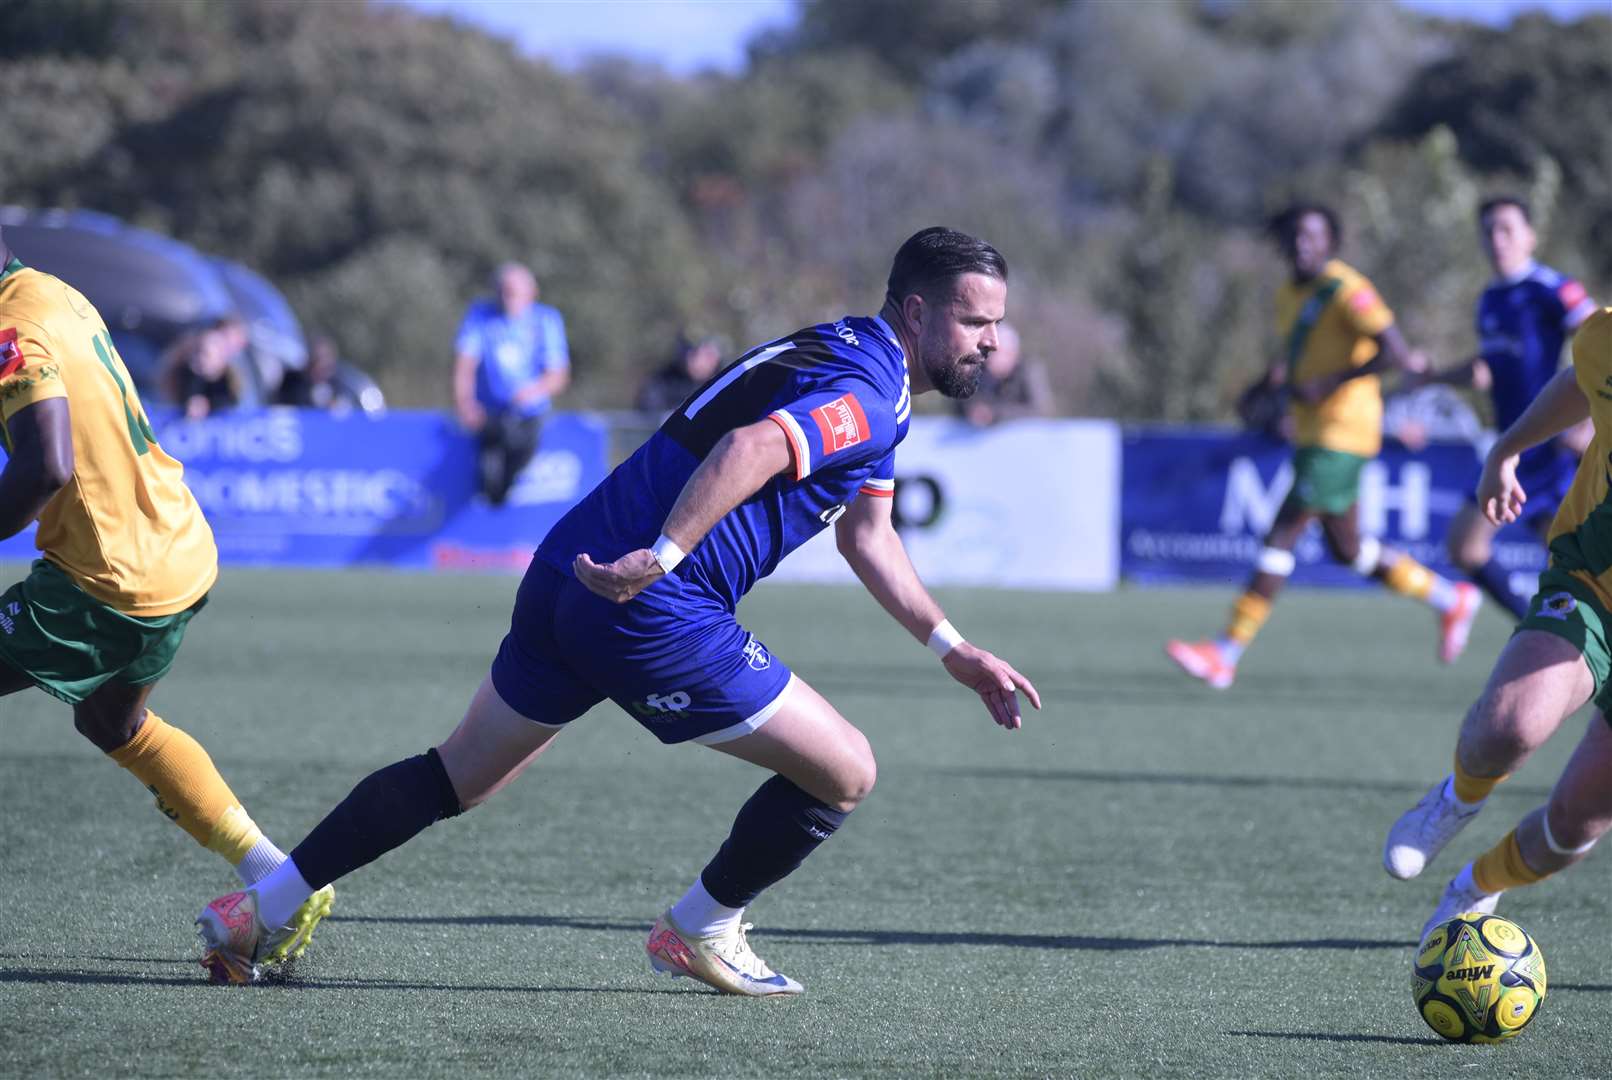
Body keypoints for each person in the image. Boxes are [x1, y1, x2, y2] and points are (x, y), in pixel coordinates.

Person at [196, 226, 1041, 994]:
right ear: (920, 311)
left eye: (997, 327)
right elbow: (751, 447)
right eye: (976, 325)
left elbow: (870, 536)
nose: (993, 345)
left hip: (568, 571)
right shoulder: (870, 384)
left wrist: (949, 646)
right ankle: (702, 927)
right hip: (650, 604)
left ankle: (261, 910)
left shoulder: (846, 355)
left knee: (459, 774)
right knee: (847, 770)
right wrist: (665, 557)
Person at [0, 230, 332, 967]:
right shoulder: (52, 291)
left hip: (107, 580)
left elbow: (45, 464)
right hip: (175, 550)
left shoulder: (11, 325)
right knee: (112, 720)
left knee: (110, 719)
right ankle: (279, 881)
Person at [1166, 203, 1480, 689]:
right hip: (1315, 431)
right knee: (1348, 550)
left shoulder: (1346, 289)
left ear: (1331, 243)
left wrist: (1329, 384)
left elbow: (1393, 353)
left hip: (1342, 430)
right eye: (1293, 236)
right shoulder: (1291, 294)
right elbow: (1298, 358)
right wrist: (1267, 387)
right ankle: (1450, 599)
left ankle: (1225, 652)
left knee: (1282, 533)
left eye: (1312, 236)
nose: (1301, 244)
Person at [1381, 308, 1612, 940]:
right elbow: (1583, 378)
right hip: (1595, 582)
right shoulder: (1608, 334)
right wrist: (1508, 449)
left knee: (1573, 827)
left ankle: (1477, 886)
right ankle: (1455, 799)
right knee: (1510, 726)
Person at [1417, 196, 1599, 620]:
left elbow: (1602, 343)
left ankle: (1553, 635)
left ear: (1530, 237)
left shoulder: (1551, 289)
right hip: (1515, 447)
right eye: (1488, 231)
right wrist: (1435, 376)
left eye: (1507, 229)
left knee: (1577, 566)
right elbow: (1486, 371)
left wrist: (1590, 415)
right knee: (1466, 546)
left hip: (1550, 449)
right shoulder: (1490, 300)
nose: (1497, 239)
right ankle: (1536, 626)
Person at [452, 262, 571, 506]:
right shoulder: (480, 316)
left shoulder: (546, 320)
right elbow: (464, 366)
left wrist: (531, 392)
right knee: (486, 483)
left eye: (513, 292)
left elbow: (558, 375)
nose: (507, 298)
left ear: (531, 293)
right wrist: (465, 404)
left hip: (529, 418)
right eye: (503, 291)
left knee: (513, 473)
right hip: (490, 417)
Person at [955, 322, 1053, 426]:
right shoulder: (978, 371)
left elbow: (1041, 411)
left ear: (1012, 354)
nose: (990, 359)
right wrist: (973, 410)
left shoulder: (1029, 371)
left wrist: (996, 414)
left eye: (997, 353)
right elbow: (959, 404)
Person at [160, 317, 245, 420]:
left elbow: (231, 402)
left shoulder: (230, 380)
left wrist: (209, 405)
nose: (231, 349)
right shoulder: (184, 371)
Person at [276, 334, 368, 414]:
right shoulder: (292, 382)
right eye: (316, 362)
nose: (320, 369)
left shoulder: (340, 385)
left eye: (326, 365)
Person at [635, 333, 723, 415]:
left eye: (708, 355)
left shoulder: (724, 383)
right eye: (694, 354)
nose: (699, 361)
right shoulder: (663, 380)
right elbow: (648, 409)